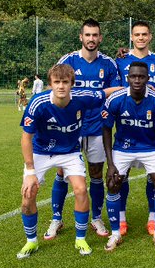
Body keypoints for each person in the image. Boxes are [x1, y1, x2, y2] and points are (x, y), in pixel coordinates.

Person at [16, 64, 119, 259]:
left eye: (65, 82)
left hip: (70, 151)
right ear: (50, 84)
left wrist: (133, 88)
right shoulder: (39, 102)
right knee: (28, 194)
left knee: (80, 189)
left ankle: (80, 238)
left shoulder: (82, 98)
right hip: (41, 152)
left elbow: (105, 92)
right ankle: (31, 241)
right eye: (56, 82)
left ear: (72, 84)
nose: (61, 86)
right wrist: (30, 171)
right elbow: (26, 137)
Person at [46, 18, 121, 241]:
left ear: (100, 37)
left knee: (96, 173)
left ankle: (96, 217)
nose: (91, 39)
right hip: (70, 129)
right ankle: (56, 219)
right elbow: (55, 88)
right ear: (81, 37)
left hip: (97, 128)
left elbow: (117, 91)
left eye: (95, 35)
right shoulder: (68, 61)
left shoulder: (108, 64)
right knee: (62, 173)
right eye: (87, 35)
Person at [102, 62, 155, 251]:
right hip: (122, 148)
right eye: (133, 76)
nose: (137, 80)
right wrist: (110, 163)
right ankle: (115, 233)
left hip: (150, 148)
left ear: (148, 79)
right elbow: (106, 129)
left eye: (141, 77)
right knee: (113, 183)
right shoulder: (115, 99)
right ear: (128, 78)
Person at [115, 20, 155, 236]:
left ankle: (152, 218)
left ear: (150, 37)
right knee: (122, 174)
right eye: (137, 34)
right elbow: (115, 87)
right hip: (126, 121)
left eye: (144, 34)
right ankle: (120, 218)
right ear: (132, 37)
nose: (141, 38)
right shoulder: (121, 60)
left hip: (152, 123)